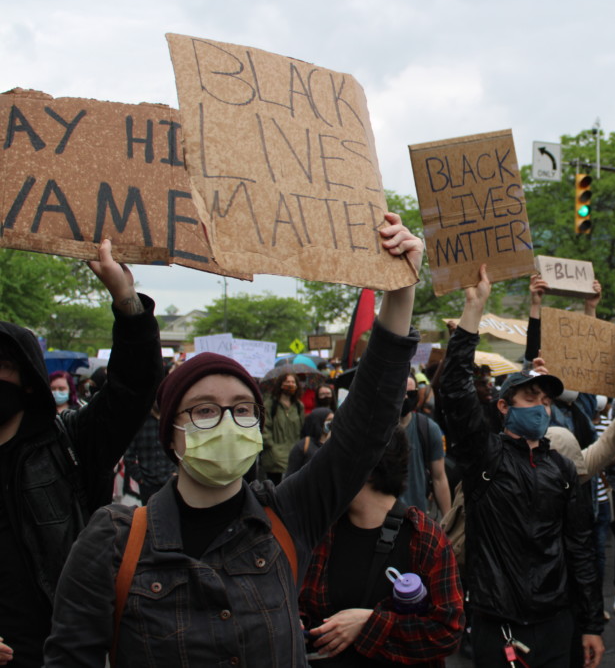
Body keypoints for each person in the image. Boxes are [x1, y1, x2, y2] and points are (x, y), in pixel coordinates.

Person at [43, 213, 423, 667]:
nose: (226, 421)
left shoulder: (290, 515)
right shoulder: (113, 541)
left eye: (242, 410)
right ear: (173, 434)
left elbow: (366, 426)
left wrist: (400, 291)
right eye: (204, 410)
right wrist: (127, 304)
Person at [0, 240, 161, 667]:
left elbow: (133, 386)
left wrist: (126, 301)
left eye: (1, 364)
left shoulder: (69, 446)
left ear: (30, 380)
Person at [440, 265, 605, 668]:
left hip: (556, 621)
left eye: (546, 401)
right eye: (530, 398)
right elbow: (454, 389)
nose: (541, 407)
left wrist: (591, 624)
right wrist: (473, 310)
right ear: (503, 406)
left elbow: (580, 550)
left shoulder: (564, 471)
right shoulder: (485, 458)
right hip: (499, 622)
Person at [298, 426, 464, 665]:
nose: (321, 463)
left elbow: (447, 632)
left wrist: (370, 624)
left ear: (366, 464)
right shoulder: (321, 530)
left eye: (332, 453)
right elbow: (299, 603)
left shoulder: (425, 538)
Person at [400, 376, 451, 517]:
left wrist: (448, 522)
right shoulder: (374, 430)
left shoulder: (428, 429)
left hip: (416, 518)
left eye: (410, 394)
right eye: (401, 392)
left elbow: (439, 478)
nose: (405, 397)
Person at [123, 402, 178, 505]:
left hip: (169, 481)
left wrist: (175, 471)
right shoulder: (140, 422)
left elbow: (179, 447)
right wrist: (140, 478)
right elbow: (128, 455)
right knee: (150, 517)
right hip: (148, 485)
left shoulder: (170, 420)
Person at [262, 372, 305, 483]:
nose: (290, 384)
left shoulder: (299, 406)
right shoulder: (270, 405)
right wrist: (272, 448)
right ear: (280, 384)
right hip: (274, 457)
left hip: (294, 455)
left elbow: (302, 428)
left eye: (293, 382)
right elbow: (265, 428)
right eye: (287, 382)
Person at [285, 407, 334, 479]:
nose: (331, 423)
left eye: (333, 420)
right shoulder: (303, 445)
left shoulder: (334, 444)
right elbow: (290, 475)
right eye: (328, 420)